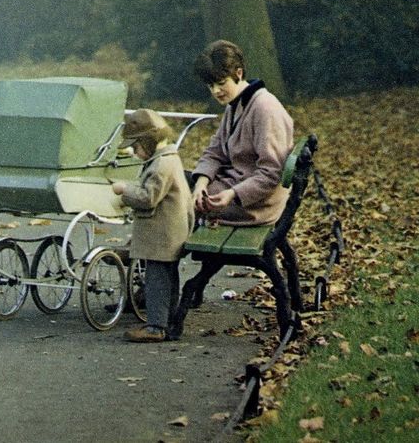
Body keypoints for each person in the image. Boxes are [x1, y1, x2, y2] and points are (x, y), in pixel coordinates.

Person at [111, 109, 195, 343]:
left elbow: (148, 198)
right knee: (168, 278)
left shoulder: (161, 166)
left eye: (136, 146)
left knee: (157, 280)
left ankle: (156, 326)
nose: (134, 152)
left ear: (148, 141)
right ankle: (169, 321)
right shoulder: (169, 159)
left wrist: (123, 190)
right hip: (171, 232)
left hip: (162, 234)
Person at [190, 40, 293, 226]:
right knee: (176, 184)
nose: (216, 91)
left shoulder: (265, 108)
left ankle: (162, 254)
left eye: (221, 83)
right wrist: (201, 184)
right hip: (230, 187)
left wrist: (233, 194)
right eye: (210, 85)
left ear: (238, 73)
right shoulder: (235, 104)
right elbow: (215, 151)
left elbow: (271, 173)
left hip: (254, 204)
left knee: (171, 198)